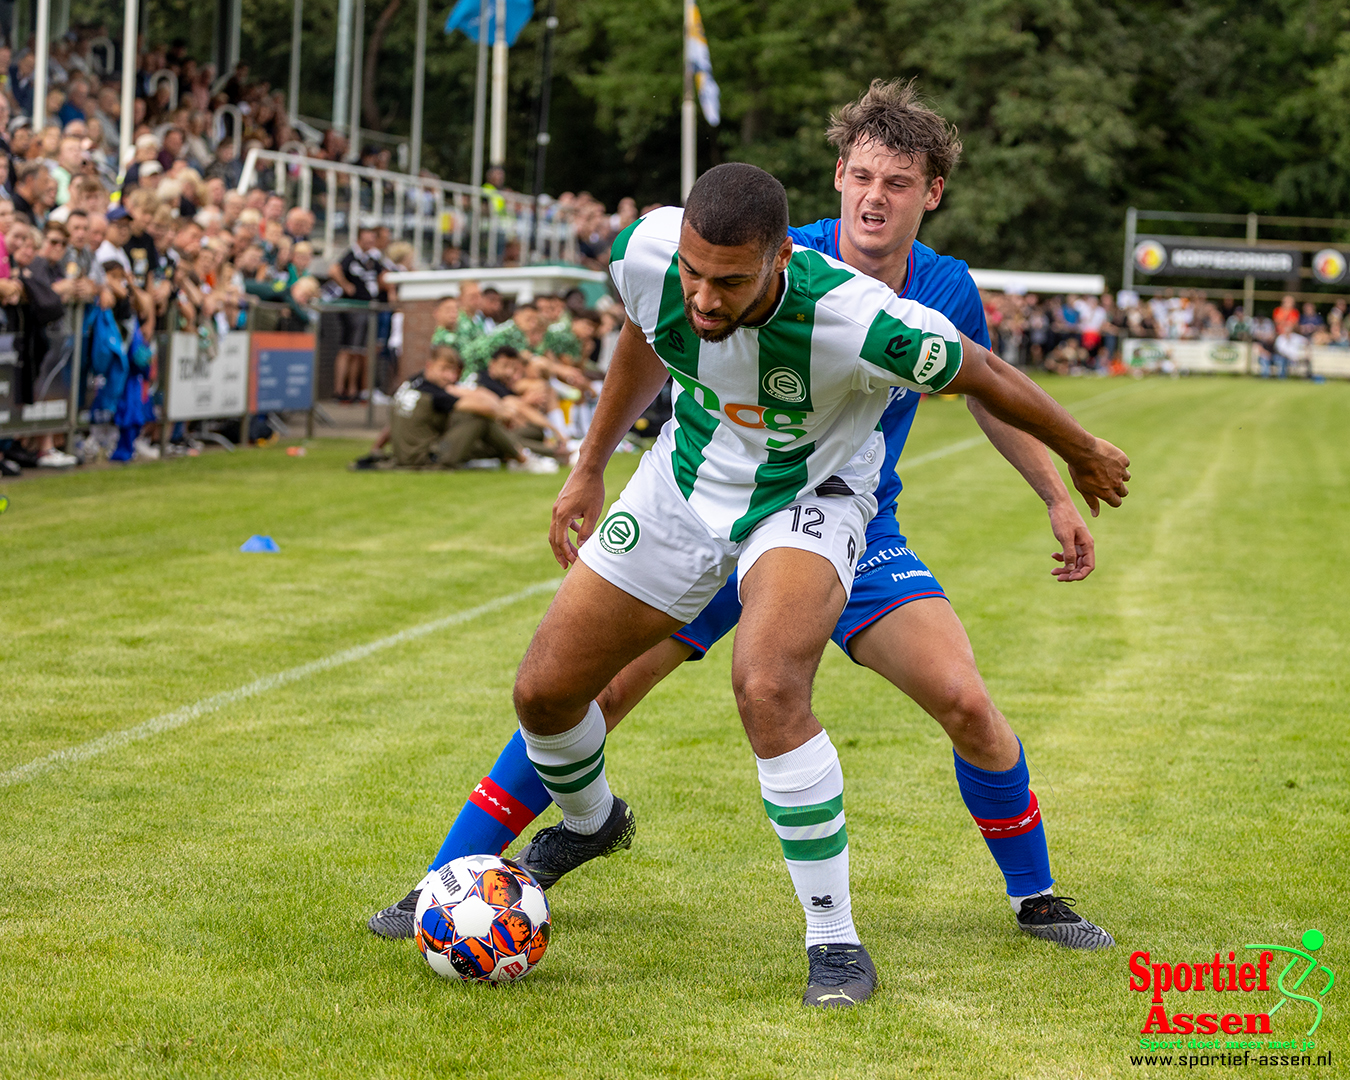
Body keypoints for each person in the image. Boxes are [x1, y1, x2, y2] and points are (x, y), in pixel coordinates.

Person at [370, 82, 1128, 969]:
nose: (875, 197)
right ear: (837, 178)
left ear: (932, 193)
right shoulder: (742, 248)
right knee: (585, 690)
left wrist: (1056, 485)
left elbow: (986, 389)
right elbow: (653, 330)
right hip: (707, 504)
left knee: (957, 699)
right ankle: (458, 876)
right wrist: (590, 463)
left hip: (843, 518)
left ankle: (1030, 897)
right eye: (862, 177)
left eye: (898, 181)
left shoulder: (925, 295)